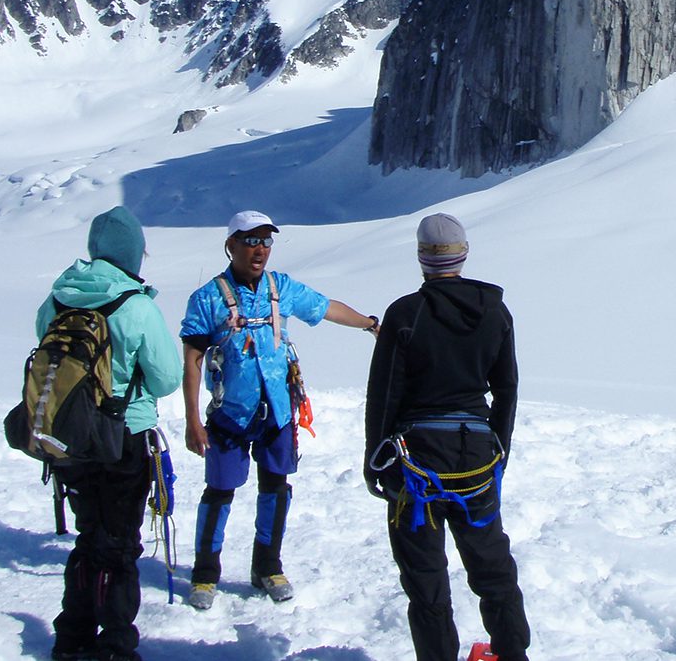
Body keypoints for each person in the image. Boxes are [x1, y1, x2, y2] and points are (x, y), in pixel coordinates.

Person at [181, 209, 377, 609]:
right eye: (251, 240)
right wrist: (191, 420)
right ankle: (204, 573)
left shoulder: (280, 287)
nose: (260, 250)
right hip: (229, 414)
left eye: (266, 241)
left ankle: (267, 567)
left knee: (276, 488)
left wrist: (370, 324)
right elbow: (192, 360)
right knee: (219, 492)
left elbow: (325, 307)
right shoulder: (206, 299)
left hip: (278, 410)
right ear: (231, 244)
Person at [365, 213, 531, 661]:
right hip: (476, 454)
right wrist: (500, 448)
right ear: (464, 253)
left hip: (415, 460)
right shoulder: (495, 311)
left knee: (426, 578)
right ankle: (513, 653)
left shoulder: (405, 313)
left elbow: (385, 394)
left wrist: (373, 460)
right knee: (492, 565)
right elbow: (507, 388)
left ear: (421, 258)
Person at [38, 206, 183, 661]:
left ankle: (72, 635)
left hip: (71, 437)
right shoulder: (136, 305)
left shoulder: (57, 299)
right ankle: (116, 642)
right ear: (133, 254)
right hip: (126, 435)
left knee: (88, 534)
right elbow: (166, 379)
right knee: (120, 542)